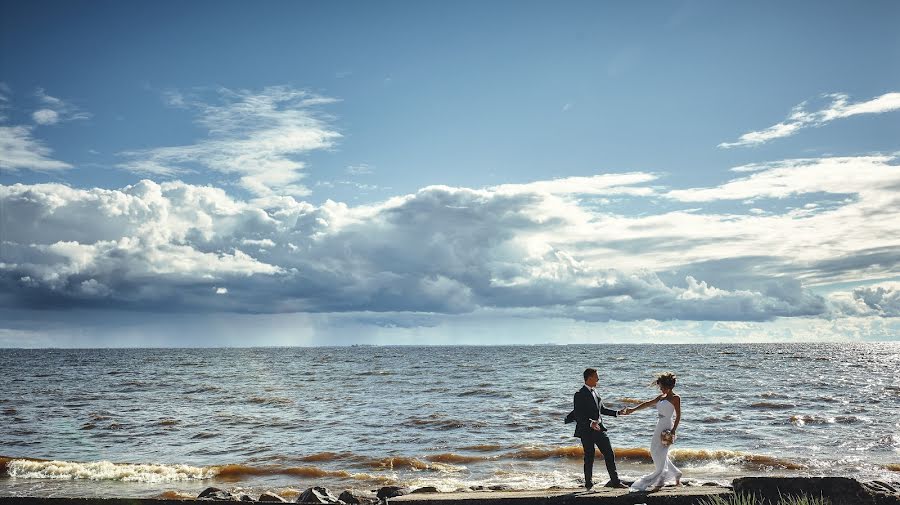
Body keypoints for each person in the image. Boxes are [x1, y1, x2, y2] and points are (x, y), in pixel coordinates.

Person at [621, 372, 683, 492]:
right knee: (654, 450)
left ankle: (661, 477)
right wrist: (632, 410)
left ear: (668, 386)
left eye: (661, 387)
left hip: (667, 428)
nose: (660, 389)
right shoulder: (661, 397)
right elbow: (647, 404)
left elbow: (678, 415)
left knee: (662, 452)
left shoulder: (676, 398)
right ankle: (676, 474)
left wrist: (673, 430)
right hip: (659, 425)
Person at [571, 368, 628, 490]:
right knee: (589, 456)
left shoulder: (595, 392)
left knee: (609, 453)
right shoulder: (579, 394)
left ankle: (615, 481)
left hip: (599, 429)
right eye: (596, 376)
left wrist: (617, 413)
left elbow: (602, 409)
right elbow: (578, 414)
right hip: (586, 430)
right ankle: (588, 484)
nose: (598, 379)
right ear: (590, 378)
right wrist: (590, 423)